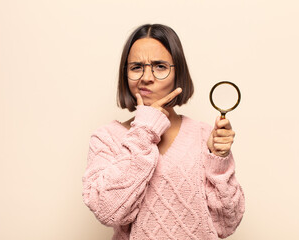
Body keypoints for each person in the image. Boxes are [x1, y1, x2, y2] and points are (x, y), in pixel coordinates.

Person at [82, 23, 245, 239]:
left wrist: (220, 160)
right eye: (136, 67)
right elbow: (108, 212)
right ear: (125, 74)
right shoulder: (106, 138)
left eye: (159, 66)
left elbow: (227, 224)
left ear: (179, 73)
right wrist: (145, 128)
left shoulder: (204, 136)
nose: (146, 77)